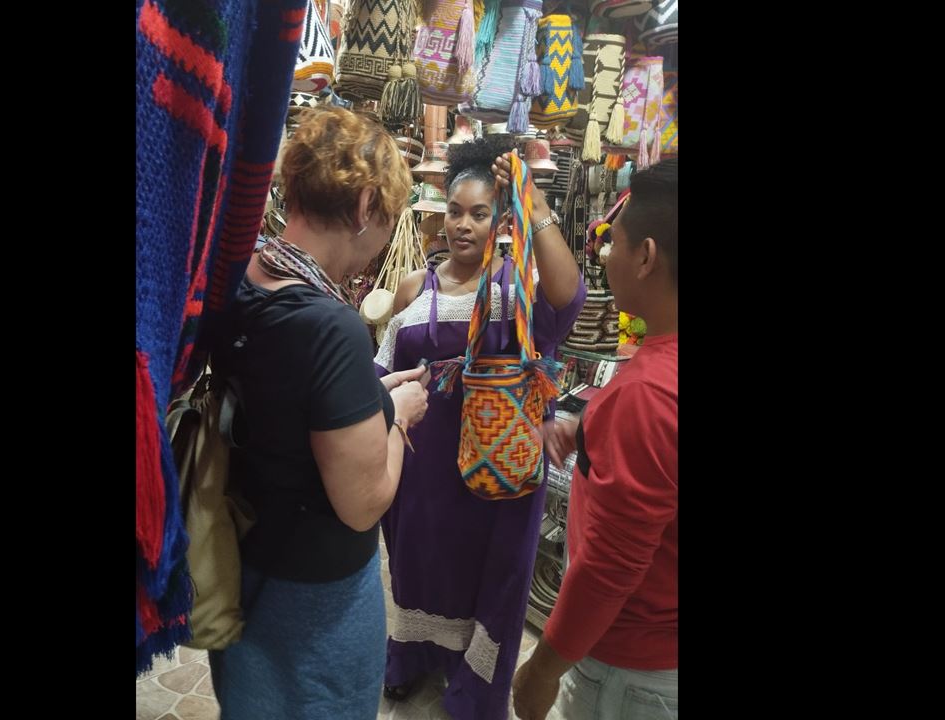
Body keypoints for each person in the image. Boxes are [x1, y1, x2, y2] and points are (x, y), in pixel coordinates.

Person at [207, 107, 431, 720]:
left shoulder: (244, 276)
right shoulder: (330, 326)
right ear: (364, 207)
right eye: (387, 220)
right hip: (313, 600)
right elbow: (363, 501)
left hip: (244, 563)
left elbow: (290, 402)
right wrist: (398, 415)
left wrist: (368, 394)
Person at [374, 137, 586, 719]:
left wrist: (535, 203)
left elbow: (569, 302)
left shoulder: (517, 289)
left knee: (492, 584)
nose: (463, 225)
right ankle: (409, 662)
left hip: (502, 481)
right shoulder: (416, 287)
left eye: (480, 212)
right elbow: (382, 370)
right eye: (454, 211)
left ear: (503, 216)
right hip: (423, 478)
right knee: (416, 570)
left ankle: (473, 693)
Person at [511, 158, 678, 720]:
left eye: (615, 241)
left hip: (630, 672)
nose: (605, 255)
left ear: (647, 256)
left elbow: (608, 571)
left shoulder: (648, 396)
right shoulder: (655, 382)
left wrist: (542, 670)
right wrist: (591, 429)